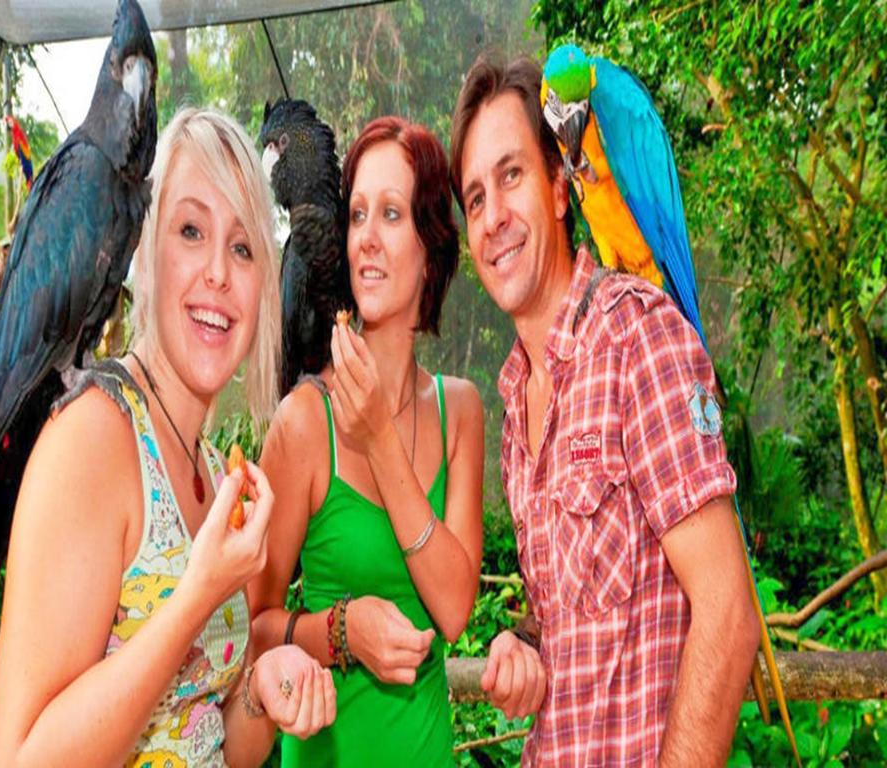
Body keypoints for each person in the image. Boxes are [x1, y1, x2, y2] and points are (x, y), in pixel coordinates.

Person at [0, 108, 336, 768]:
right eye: (190, 231)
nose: (218, 273)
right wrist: (198, 594)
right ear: (145, 254)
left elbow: (215, 742)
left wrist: (260, 690)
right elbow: (21, 758)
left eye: (242, 248)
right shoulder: (94, 438)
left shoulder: (214, 466)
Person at [449, 55, 760, 766]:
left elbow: (729, 612)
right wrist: (522, 645)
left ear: (561, 188)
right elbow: (574, 615)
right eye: (475, 198)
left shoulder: (638, 337)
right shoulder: (515, 402)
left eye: (511, 176)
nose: (494, 218)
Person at [250, 116, 484, 766]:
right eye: (357, 215)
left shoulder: (460, 409)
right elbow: (252, 632)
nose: (367, 239)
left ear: (431, 248)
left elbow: (454, 609)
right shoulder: (303, 421)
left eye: (391, 214)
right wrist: (341, 633)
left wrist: (379, 436)